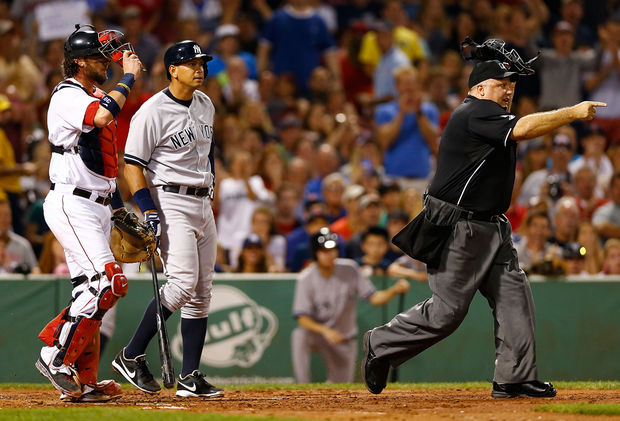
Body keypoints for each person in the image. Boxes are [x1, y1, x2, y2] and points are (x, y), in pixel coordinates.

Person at [361, 57, 606, 398]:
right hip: (461, 227)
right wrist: (572, 113)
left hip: (493, 224)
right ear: (478, 88)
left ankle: (514, 377)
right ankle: (381, 342)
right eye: (501, 84)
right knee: (446, 312)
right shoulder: (474, 112)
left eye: (511, 86)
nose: (508, 90)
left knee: (514, 296)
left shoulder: (489, 114)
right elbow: (523, 129)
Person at [35, 24, 143, 402]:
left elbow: (104, 164)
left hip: (96, 203)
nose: (107, 62)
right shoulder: (67, 93)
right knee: (108, 282)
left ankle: (84, 381)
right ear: (79, 61)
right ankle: (54, 354)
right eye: (99, 57)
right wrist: (129, 76)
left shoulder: (93, 92)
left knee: (94, 291)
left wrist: (119, 212)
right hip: (72, 201)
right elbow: (100, 116)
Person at [112, 40, 223, 398]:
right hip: (170, 200)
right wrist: (148, 210)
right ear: (172, 70)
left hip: (202, 201)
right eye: (191, 63)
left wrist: (212, 183)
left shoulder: (206, 104)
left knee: (202, 293)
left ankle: (190, 376)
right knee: (181, 285)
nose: (199, 69)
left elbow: (207, 153)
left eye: (201, 63)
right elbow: (132, 165)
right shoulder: (152, 110)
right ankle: (130, 355)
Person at [291, 228, 409, 383]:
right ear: (315, 252)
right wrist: (325, 331)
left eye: (332, 249)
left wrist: (393, 290)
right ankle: (302, 385)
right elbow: (302, 318)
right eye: (324, 250)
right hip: (318, 334)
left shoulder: (350, 269)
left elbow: (374, 298)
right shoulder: (306, 277)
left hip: (343, 338)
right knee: (300, 335)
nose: (329, 254)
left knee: (340, 387)